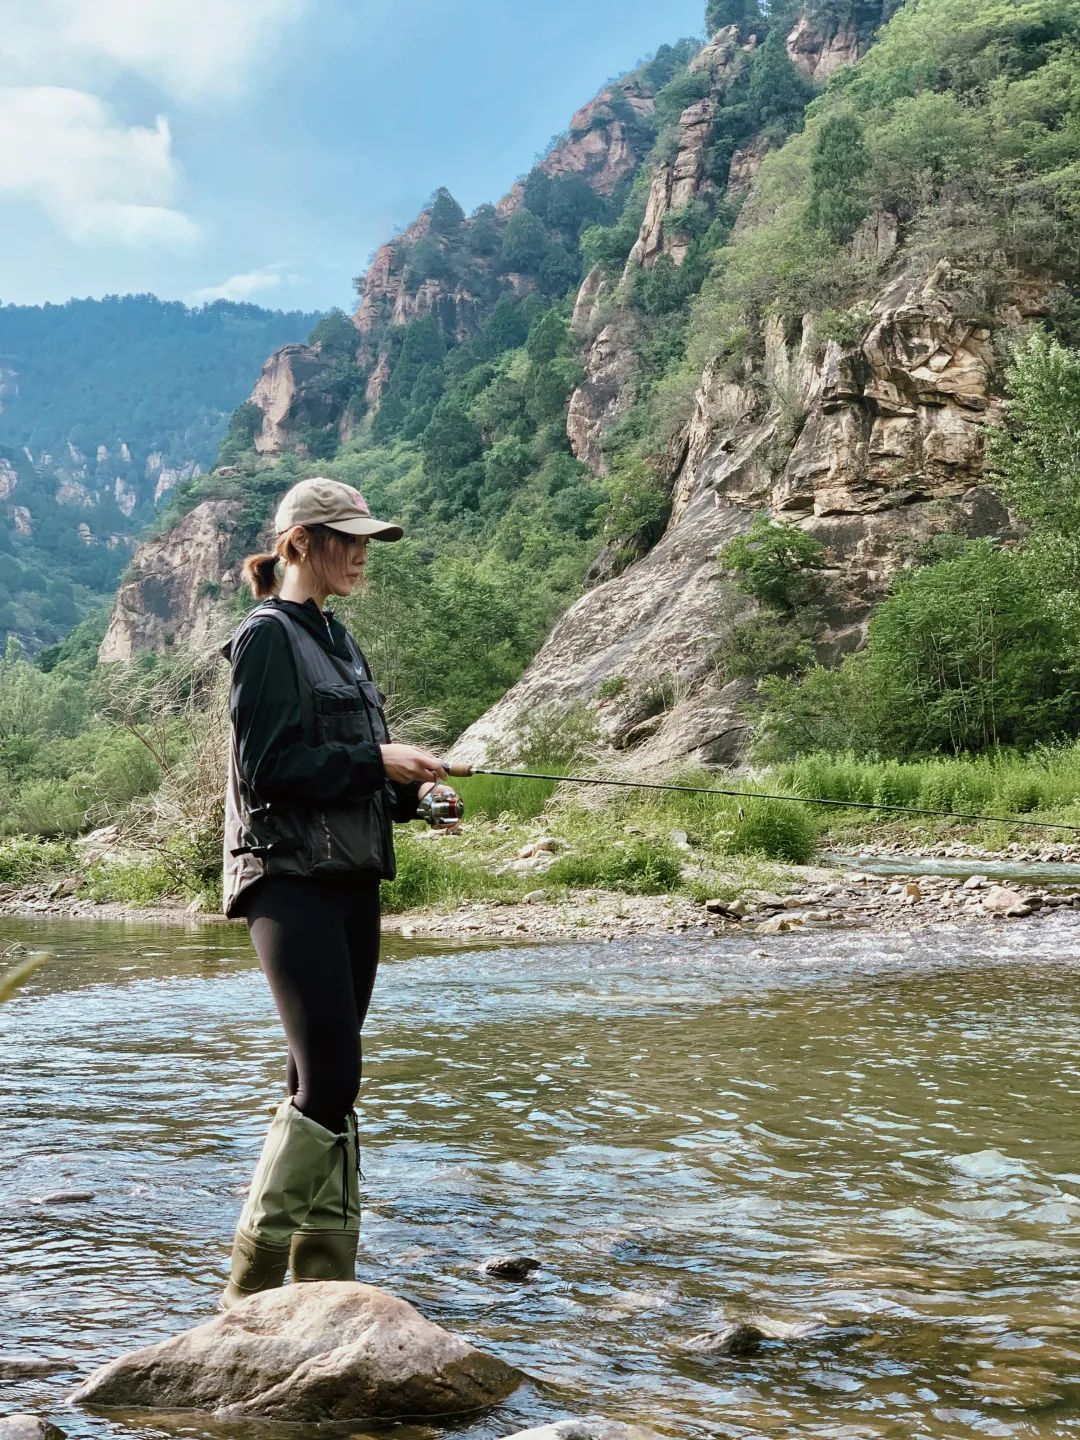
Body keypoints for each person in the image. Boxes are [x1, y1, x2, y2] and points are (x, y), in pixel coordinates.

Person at [219, 475, 454, 1310]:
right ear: (297, 545)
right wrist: (379, 761)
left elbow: (351, 770)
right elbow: (271, 771)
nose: (361, 553)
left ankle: (321, 1289)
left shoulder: (341, 643)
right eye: (345, 538)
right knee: (330, 1077)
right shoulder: (266, 637)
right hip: (287, 879)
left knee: (327, 1078)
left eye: (366, 540)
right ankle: (249, 1289)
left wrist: (413, 791)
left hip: (352, 877)